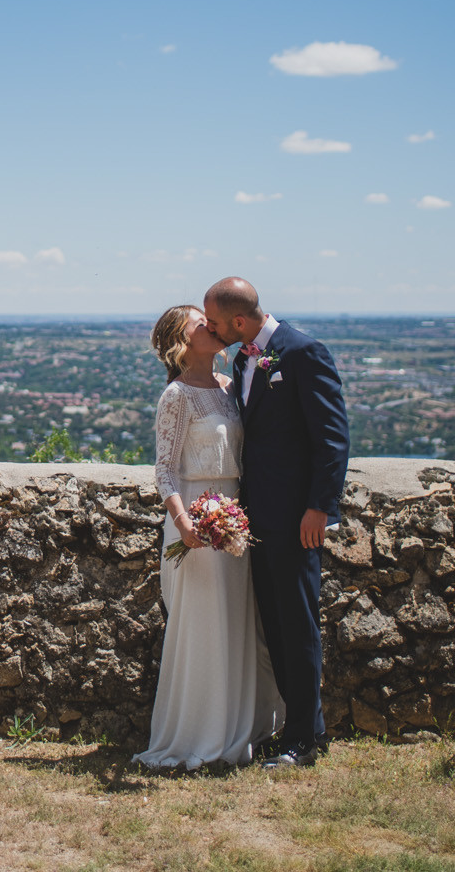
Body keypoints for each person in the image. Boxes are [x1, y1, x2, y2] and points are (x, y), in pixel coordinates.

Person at [204, 276, 350, 768]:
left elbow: (332, 437)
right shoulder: (244, 358)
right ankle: (305, 728)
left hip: (297, 517)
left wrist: (319, 507)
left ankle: (302, 741)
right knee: (275, 623)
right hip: (257, 517)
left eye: (215, 323)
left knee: (298, 624)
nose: (211, 329)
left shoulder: (303, 352)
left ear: (238, 321)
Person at [134, 304, 283, 770]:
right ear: (183, 341)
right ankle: (199, 735)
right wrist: (185, 524)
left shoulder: (227, 386)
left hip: (234, 515)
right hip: (196, 521)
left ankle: (241, 727)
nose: (212, 326)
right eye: (201, 324)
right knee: (203, 625)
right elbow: (164, 470)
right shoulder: (177, 396)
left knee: (237, 620)